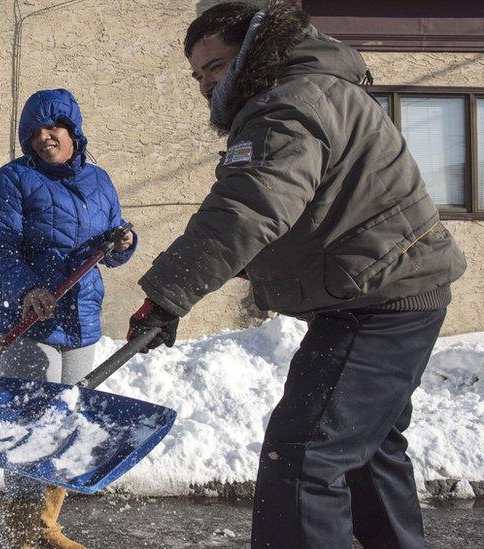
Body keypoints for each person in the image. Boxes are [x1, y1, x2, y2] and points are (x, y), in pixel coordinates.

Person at [127, 2, 466, 547]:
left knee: (304, 456)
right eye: (197, 73)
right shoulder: (313, 92)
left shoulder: (287, 104)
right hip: (389, 289)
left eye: (215, 66)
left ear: (254, 52)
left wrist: (166, 296)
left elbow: (248, 208)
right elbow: (314, 208)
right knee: (365, 453)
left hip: (376, 303)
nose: (204, 83)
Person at [0, 88, 136, 548]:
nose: (45, 137)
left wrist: (124, 242)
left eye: (54, 127)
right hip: (29, 320)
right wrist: (28, 288)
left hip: (82, 318)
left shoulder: (99, 181)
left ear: (72, 130)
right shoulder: (12, 179)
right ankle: (28, 531)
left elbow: (111, 242)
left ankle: (47, 523)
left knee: (66, 424)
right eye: (35, 132)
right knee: (33, 424)